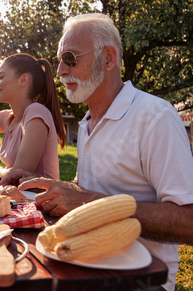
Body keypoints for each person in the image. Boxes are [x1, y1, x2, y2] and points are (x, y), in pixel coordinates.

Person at [12, 13, 193, 291]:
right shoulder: (87, 123)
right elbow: (89, 189)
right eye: (60, 60)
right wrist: (50, 185)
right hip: (85, 265)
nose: (60, 71)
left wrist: (87, 201)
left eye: (70, 58)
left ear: (108, 59)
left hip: (140, 281)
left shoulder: (155, 117)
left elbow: (188, 221)